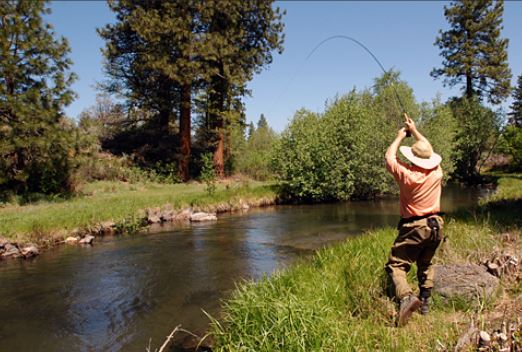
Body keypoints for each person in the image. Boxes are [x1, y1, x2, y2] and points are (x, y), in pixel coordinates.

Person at [384, 114, 444, 327]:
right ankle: (425, 302)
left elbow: (390, 157)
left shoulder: (407, 175)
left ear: (412, 158)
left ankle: (407, 298)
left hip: (415, 226)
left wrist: (401, 136)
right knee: (425, 263)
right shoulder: (437, 173)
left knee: (396, 265)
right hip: (437, 225)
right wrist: (415, 130)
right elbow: (427, 148)